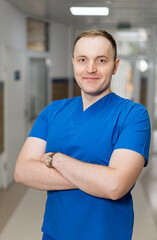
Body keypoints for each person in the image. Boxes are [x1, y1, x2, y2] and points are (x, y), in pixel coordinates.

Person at [14, 29, 151, 240]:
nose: (90, 68)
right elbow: (22, 171)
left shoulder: (133, 115)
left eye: (101, 60)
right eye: (82, 59)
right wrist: (99, 178)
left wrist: (55, 159)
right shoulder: (53, 112)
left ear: (115, 66)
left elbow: (115, 186)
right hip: (54, 233)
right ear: (73, 63)